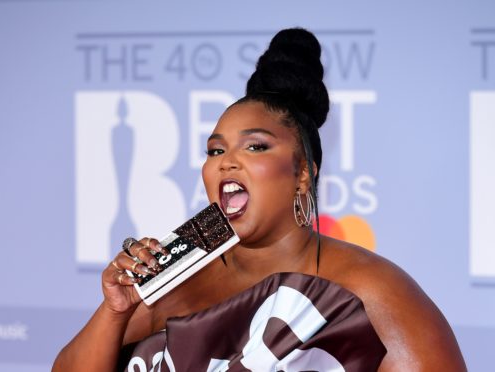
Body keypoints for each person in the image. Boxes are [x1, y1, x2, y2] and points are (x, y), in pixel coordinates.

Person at [53, 28, 466, 371]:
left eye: (255, 147)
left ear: (303, 172)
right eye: (216, 151)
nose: (227, 162)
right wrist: (116, 310)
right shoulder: (174, 273)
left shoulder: (370, 289)